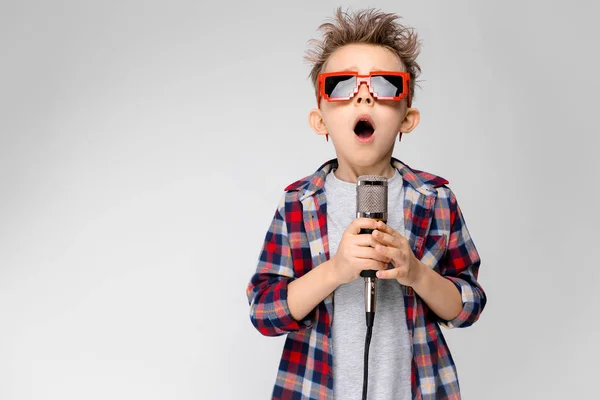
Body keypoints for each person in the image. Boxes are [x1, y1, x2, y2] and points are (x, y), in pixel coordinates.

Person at [246, 7, 487, 400]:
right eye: (340, 85)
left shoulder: (436, 200)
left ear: (407, 117)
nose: (363, 94)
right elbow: (263, 312)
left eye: (385, 84)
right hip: (316, 388)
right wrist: (336, 270)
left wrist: (417, 274)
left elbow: (468, 305)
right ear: (319, 120)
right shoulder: (298, 204)